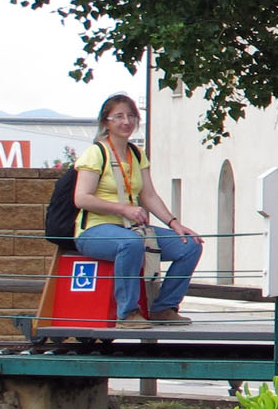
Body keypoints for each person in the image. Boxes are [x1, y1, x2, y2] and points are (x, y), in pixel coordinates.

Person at [72, 93, 203, 327]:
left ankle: (164, 307)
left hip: (130, 228)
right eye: (119, 116)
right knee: (130, 243)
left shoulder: (136, 154)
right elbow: (81, 198)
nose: (126, 122)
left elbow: (149, 195)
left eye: (131, 116)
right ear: (106, 122)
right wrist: (123, 209)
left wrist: (174, 224)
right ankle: (128, 312)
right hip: (95, 230)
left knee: (190, 245)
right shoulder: (96, 153)